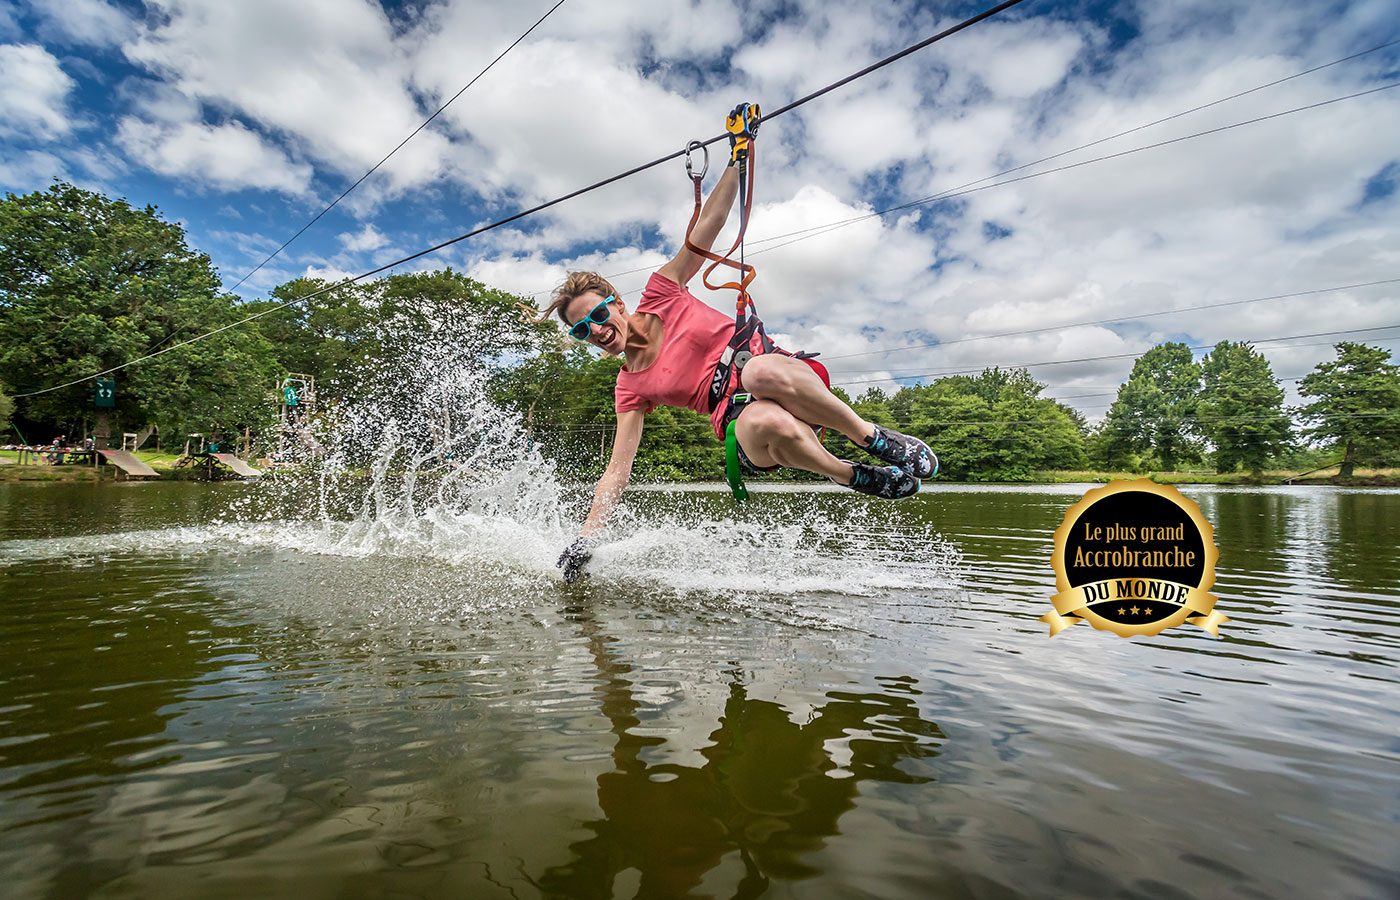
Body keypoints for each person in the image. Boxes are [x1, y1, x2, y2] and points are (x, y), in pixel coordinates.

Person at [547, 103, 936, 582]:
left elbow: (706, 229)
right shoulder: (629, 386)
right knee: (766, 415)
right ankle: (849, 474)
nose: (596, 330)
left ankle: (872, 437)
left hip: (787, 382)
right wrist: (586, 539)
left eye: (598, 315)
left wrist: (738, 155)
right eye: (582, 330)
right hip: (750, 428)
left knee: (759, 370)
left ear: (617, 303)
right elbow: (616, 473)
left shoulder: (661, 292)